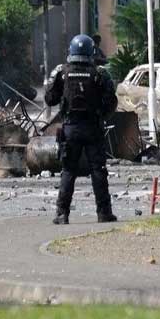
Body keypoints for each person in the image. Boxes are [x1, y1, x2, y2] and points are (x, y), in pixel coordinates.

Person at [45, 34, 118, 224]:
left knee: (68, 171)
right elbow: (111, 102)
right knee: (98, 171)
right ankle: (104, 213)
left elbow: (49, 99)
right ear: (91, 51)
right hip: (93, 128)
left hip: (70, 128)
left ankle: (62, 214)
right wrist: (101, 115)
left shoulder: (62, 73)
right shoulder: (100, 73)